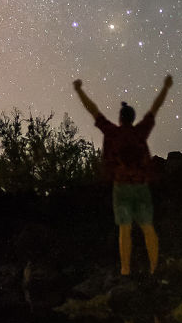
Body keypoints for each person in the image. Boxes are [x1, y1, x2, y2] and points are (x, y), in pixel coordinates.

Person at [72, 73, 172, 277]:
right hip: (141, 186)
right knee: (148, 227)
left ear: (120, 118)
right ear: (133, 118)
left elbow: (93, 110)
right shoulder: (140, 132)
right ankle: (154, 267)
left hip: (121, 187)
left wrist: (79, 90)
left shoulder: (112, 132)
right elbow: (156, 107)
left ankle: (125, 269)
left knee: (124, 230)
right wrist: (166, 87)